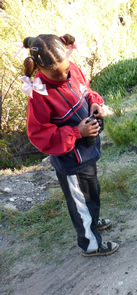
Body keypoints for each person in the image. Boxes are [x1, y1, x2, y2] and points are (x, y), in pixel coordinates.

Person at [20, 33, 119, 257]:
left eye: (66, 69)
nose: (64, 75)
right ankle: (90, 244)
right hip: (71, 161)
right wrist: (76, 131)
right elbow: (40, 135)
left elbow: (85, 90)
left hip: (87, 151)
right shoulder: (39, 94)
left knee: (91, 193)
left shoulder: (70, 69)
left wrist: (95, 102)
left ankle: (92, 221)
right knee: (80, 201)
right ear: (39, 68)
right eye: (56, 74)